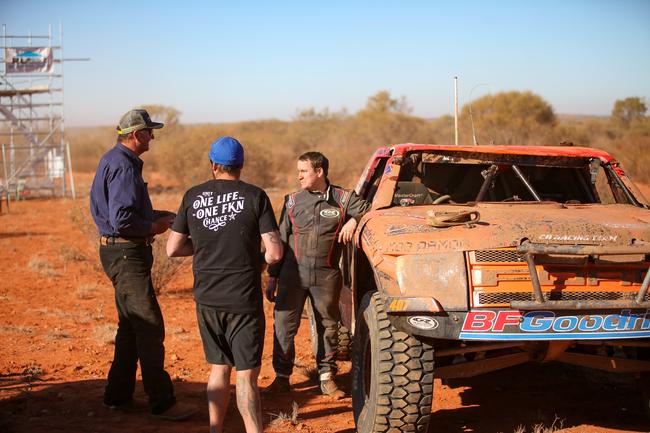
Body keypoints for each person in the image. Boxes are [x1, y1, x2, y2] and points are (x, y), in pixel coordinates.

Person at [166, 136, 283, 433]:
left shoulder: (193, 196)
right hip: (243, 298)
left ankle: (215, 430)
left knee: (219, 368)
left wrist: (207, 244)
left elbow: (173, 248)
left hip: (207, 298)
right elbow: (275, 252)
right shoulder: (255, 196)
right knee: (246, 376)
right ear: (241, 165)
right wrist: (253, 255)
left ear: (213, 165)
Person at [89, 108, 196, 421]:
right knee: (149, 326)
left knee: (130, 327)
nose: (153, 137)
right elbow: (122, 219)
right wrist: (154, 227)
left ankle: (117, 395)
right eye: (149, 132)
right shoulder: (123, 166)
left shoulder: (113, 159)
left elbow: (117, 212)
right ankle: (162, 402)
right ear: (136, 135)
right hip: (127, 254)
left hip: (118, 252)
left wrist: (158, 216)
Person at [264, 151, 369, 399]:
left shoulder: (343, 199)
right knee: (283, 326)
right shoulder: (292, 201)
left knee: (329, 327)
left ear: (319, 171)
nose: (298, 176)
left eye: (304, 171)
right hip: (292, 275)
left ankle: (327, 379)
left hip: (327, 276)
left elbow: (371, 211)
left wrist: (355, 221)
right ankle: (281, 378)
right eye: (298, 171)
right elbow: (279, 239)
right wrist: (272, 276)